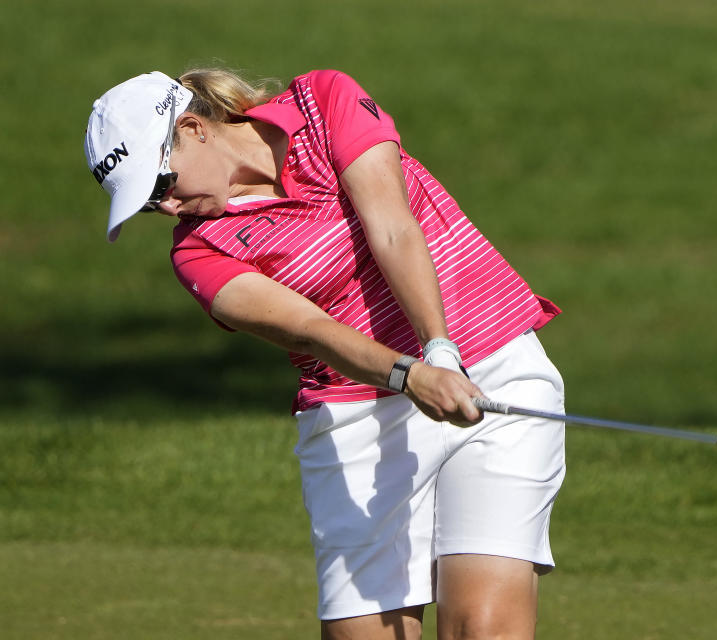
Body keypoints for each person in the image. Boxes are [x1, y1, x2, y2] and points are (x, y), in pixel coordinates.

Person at [84, 68, 566, 640]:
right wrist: (411, 374)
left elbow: (391, 227)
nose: (166, 209)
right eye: (146, 205)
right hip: (354, 416)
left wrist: (439, 350)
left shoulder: (322, 101)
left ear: (194, 129)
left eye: (161, 184)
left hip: (492, 369)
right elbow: (310, 329)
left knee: (482, 629)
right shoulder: (197, 252)